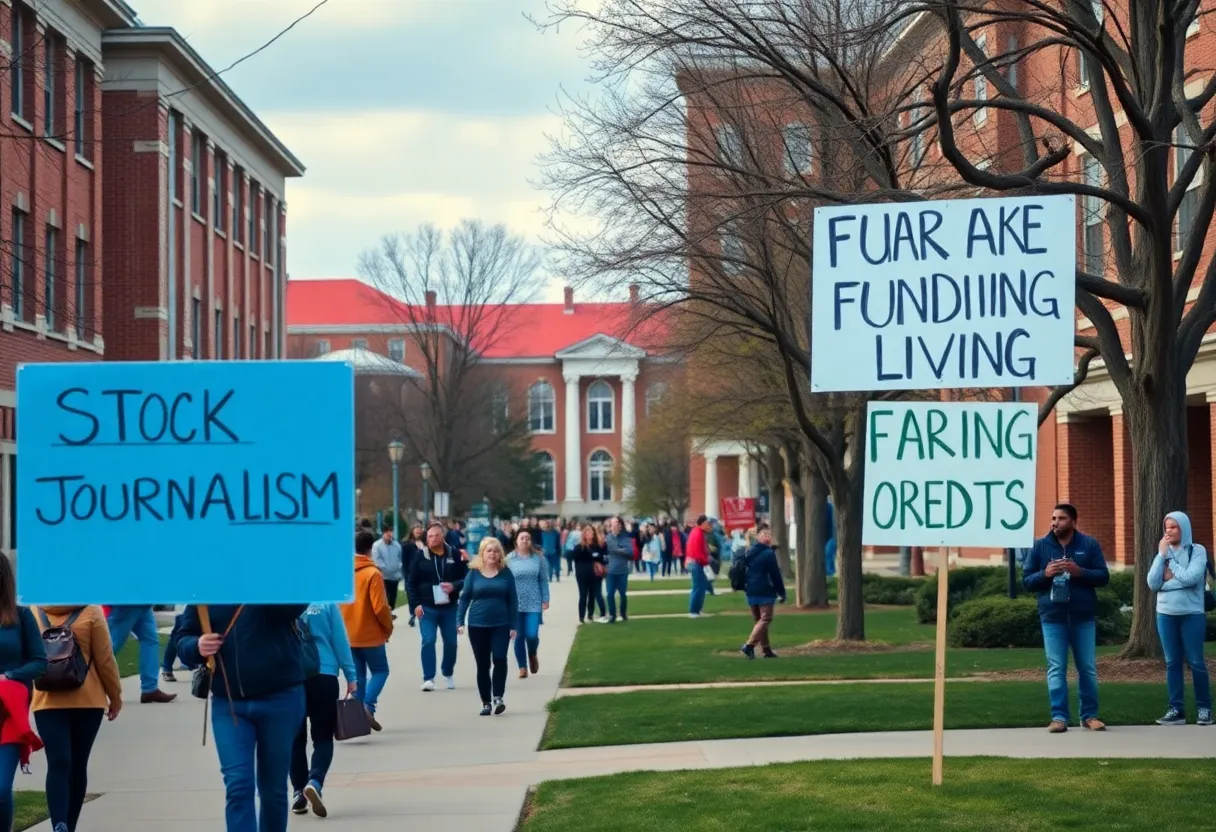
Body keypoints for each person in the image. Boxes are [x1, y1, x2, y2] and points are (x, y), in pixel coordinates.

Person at [176, 603, 309, 832]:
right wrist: (196, 645)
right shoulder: (205, 591)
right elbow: (183, 637)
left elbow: (292, 607)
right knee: (238, 785)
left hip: (281, 699)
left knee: (273, 790)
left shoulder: (272, 580)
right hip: (229, 704)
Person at [31, 604, 122, 832]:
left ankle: (59, 825)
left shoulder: (33, 611)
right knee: (78, 765)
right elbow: (105, 659)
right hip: (88, 700)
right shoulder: (91, 612)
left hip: (47, 700)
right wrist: (115, 696)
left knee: (58, 763)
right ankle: (68, 826)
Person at [1022, 503, 1110, 733]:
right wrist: (1046, 573)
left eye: (1060, 518)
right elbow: (1027, 581)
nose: (1054, 522)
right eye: (1053, 518)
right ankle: (1059, 717)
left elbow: (1103, 576)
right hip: (1052, 617)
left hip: (1083, 616)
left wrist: (1079, 571)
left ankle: (1089, 716)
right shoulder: (1040, 546)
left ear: (1073, 521)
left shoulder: (1088, 545)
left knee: (1087, 667)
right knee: (1056, 667)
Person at [291, 603, 358, 818]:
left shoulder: (283, 599)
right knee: (323, 737)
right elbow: (339, 639)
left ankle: (298, 793)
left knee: (295, 739)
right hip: (324, 674)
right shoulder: (327, 602)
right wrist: (350, 675)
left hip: (292, 676)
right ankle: (315, 781)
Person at [1147, 510, 1212, 726]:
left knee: (1196, 662)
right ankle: (1176, 710)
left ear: (1183, 528)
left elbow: (1192, 578)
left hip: (1191, 614)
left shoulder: (1197, 550)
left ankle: (1204, 709)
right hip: (1165, 615)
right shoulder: (1163, 552)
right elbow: (1153, 584)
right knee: (1172, 662)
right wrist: (1161, 556)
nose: (1168, 531)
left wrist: (1172, 570)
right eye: (1166, 527)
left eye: (1173, 527)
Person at [0, 556, 46, 832]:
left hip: (9, 715)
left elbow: (40, 662)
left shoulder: (21, 616)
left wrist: (10, 676)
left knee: (2, 789)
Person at [457, 538, 519, 715]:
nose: (493, 554)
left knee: (500, 659)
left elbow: (513, 600)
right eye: (489, 550)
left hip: (501, 624)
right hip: (477, 625)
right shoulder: (474, 573)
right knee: (483, 664)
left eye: (496, 550)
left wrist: (513, 624)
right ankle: (486, 702)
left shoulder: (506, 573)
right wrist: (459, 620)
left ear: (500, 554)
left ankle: (498, 696)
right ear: (482, 553)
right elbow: (465, 598)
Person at [341, 531, 394, 731]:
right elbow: (380, 607)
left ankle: (356, 719)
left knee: (359, 676)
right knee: (381, 671)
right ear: (371, 548)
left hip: (348, 633)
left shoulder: (344, 572)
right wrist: (387, 627)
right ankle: (368, 706)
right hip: (370, 634)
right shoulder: (373, 573)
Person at [406, 523, 468, 691]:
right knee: (428, 640)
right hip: (427, 606)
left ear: (443, 537)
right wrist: (415, 605)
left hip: (449, 607)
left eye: (435, 535)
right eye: (429, 536)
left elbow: (466, 577)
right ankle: (429, 678)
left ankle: (447, 672)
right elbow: (411, 582)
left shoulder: (454, 554)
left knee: (451, 642)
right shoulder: (420, 556)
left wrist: (454, 586)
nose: (432, 539)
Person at [107, 604, 175, 703]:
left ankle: (150, 689)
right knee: (111, 645)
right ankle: (86, 679)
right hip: (129, 600)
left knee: (150, 641)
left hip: (143, 601)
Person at [737, 524, 786, 659]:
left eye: (769, 534)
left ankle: (766, 650)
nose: (767, 537)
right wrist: (781, 592)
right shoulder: (768, 553)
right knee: (766, 618)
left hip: (751, 589)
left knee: (759, 620)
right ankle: (749, 645)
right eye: (764, 534)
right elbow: (775, 575)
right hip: (765, 590)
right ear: (758, 536)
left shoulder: (749, 552)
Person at [507, 531, 550, 678]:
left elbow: (543, 579)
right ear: (516, 541)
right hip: (515, 603)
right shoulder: (509, 559)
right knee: (518, 636)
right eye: (522, 538)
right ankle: (522, 667)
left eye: (528, 538)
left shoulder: (538, 558)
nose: (525, 540)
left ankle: (532, 653)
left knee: (531, 635)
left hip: (533, 602)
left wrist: (545, 598)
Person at [572, 524, 608, 624]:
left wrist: (601, 564)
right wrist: (592, 558)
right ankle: (581, 617)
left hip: (595, 574)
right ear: (584, 534)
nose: (590, 534)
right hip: (582, 574)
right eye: (588, 532)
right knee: (583, 595)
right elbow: (576, 559)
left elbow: (602, 558)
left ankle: (592, 614)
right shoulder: (579, 547)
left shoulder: (597, 547)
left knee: (594, 595)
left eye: (592, 532)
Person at [604, 517, 633, 623]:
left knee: (623, 594)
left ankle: (623, 613)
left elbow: (630, 552)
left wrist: (618, 549)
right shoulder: (608, 538)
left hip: (623, 570)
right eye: (615, 524)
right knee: (610, 593)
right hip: (611, 570)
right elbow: (612, 548)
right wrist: (621, 549)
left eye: (618, 523)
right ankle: (612, 614)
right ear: (611, 526)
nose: (617, 525)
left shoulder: (625, 538)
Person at [371, 525, 404, 612]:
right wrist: (385, 569)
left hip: (394, 577)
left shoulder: (397, 545)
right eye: (387, 532)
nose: (389, 534)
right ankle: (386, 615)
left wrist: (398, 570)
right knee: (385, 598)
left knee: (393, 598)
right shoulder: (377, 545)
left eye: (391, 531)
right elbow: (376, 559)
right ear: (383, 533)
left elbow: (400, 559)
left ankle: (390, 613)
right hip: (383, 576)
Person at [686, 514, 713, 618]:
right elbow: (697, 551)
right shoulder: (698, 534)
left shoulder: (697, 532)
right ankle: (694, 611)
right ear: (701, 524)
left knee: (700, 586)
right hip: (696, 562)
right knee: (698, 587)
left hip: (695, 562)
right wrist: (706, 561)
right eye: (706, 524)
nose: (708, 526)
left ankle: (697, 610)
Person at [402, 525, 425, 627]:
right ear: (412, 531)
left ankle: (422, 612)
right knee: (412, 595)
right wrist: (407, 576)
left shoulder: (426, 544)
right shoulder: (407, 545)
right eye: (416, 529)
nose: (418, 531)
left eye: (420, 529)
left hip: (424, 574)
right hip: (411, 574)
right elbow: (404, 562)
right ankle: (412, 614)